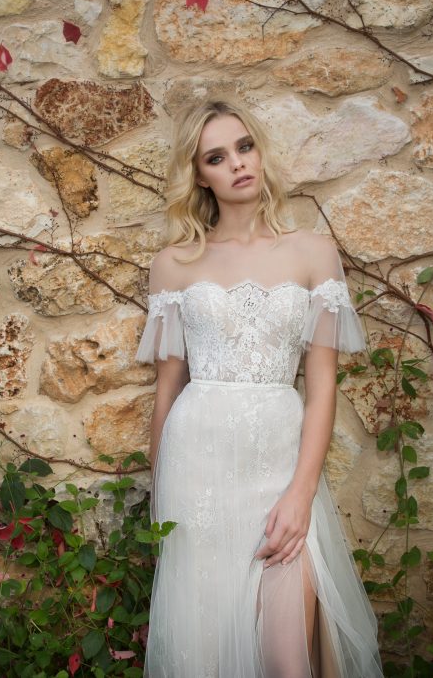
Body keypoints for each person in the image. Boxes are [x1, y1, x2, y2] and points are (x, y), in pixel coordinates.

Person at [134, 96, 384, 678]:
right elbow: (167, 389)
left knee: (286, 660)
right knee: (207, 646)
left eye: (244, 147)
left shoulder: (314, 253)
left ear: (259, 151)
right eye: (216, 157)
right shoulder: (174, 263)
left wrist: (301, 492)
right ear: (200, 175)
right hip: (196, 470)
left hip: (278, 469)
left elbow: (322, 388)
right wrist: (160, 490)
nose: (238, 163)